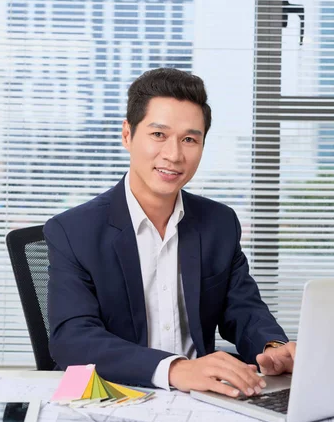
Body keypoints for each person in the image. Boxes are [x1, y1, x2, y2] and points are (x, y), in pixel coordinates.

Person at [45, 68, 296, 398]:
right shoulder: (73, 231)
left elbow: (244, 309)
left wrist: (272, 346)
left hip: (204, 397)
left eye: (190, 139)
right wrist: (176, 369)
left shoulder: (219, 223)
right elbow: (72, 339)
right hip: (114, 394)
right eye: (158, 135)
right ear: (127, 135)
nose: (175, 155)